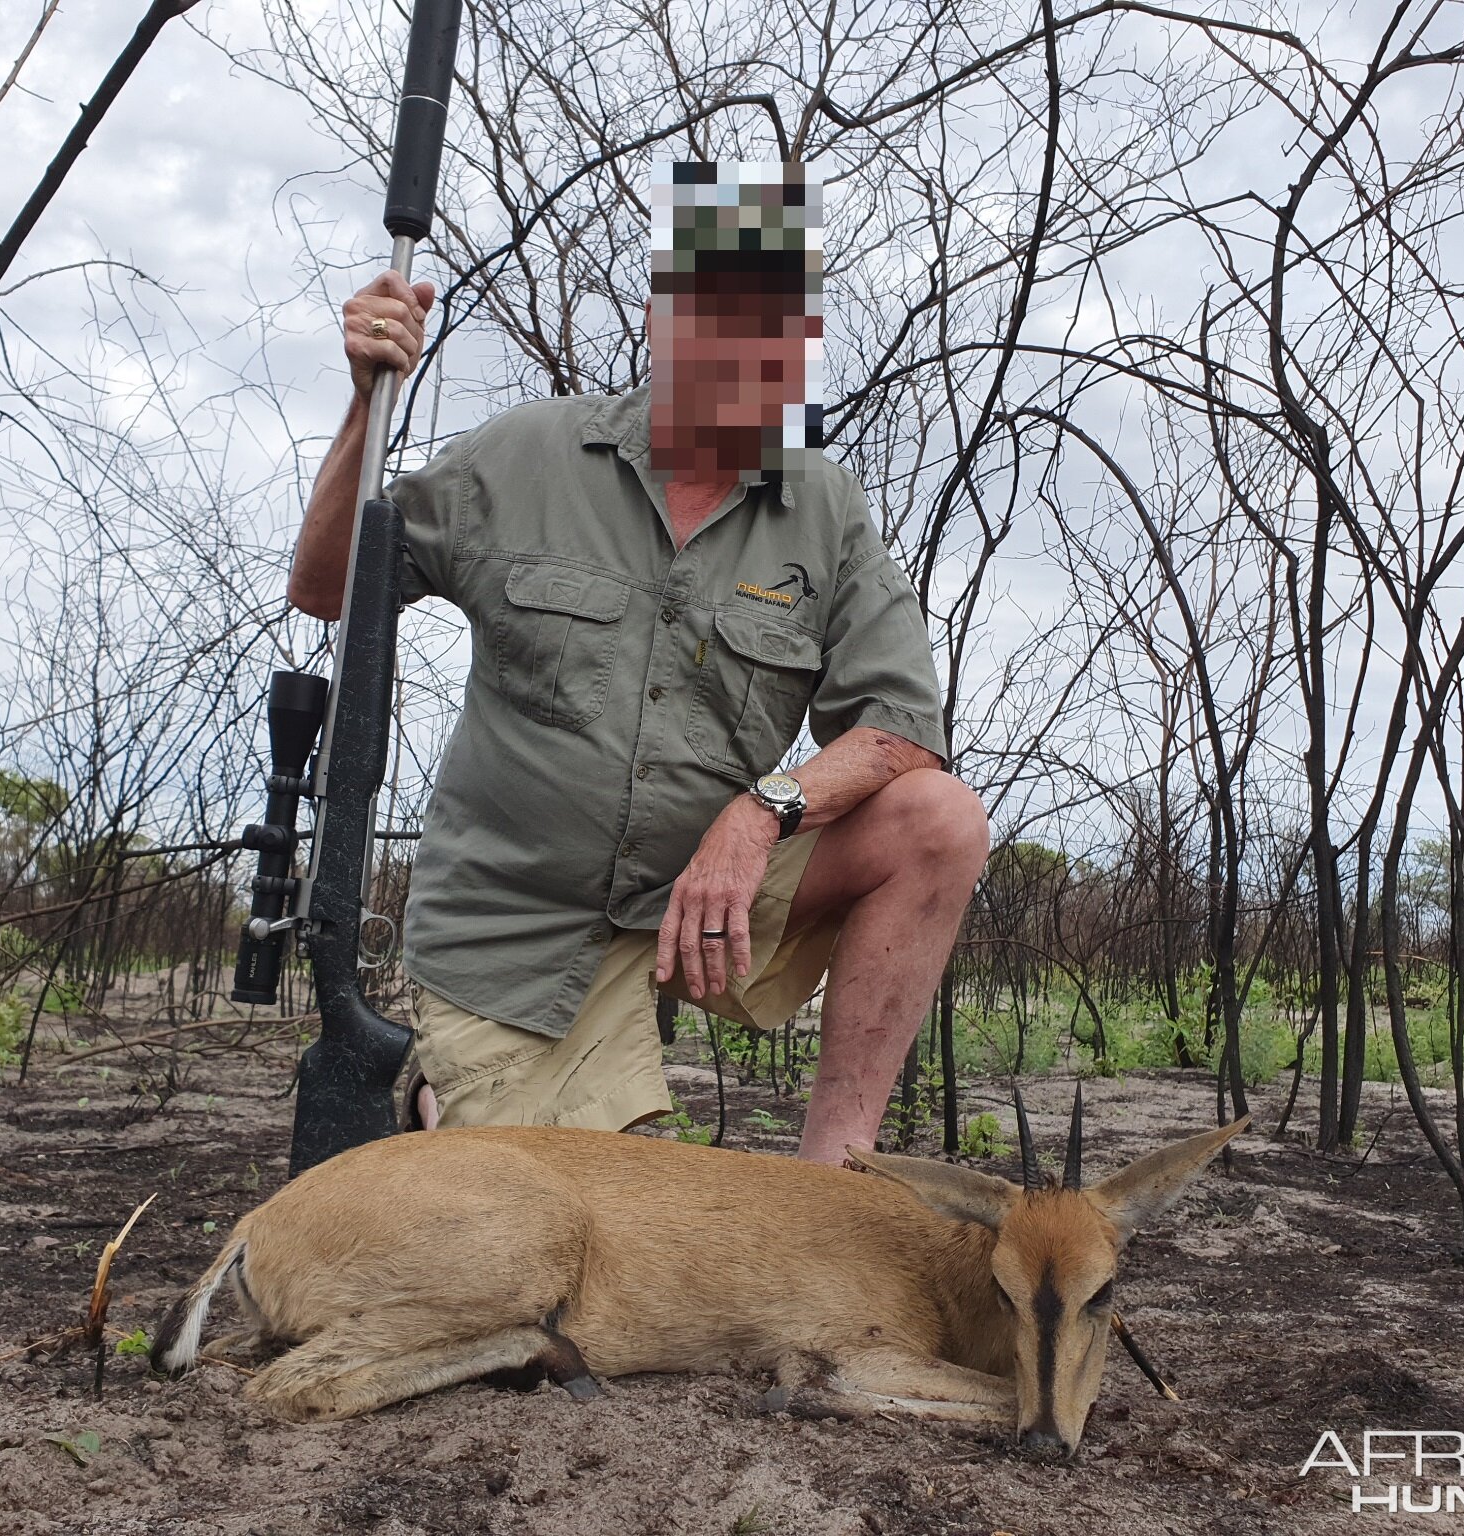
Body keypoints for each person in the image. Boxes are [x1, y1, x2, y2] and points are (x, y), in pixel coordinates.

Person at [286, 161, 988, 1163]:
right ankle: (452, 1110)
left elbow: (901, 734)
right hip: (516, 936)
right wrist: (366, 405)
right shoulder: (525, 451)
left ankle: (838, 1181)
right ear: (662, 319)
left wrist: (760, 812)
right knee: (545, 1229)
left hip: (711, 898)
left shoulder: (823, 506)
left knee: (939, 819)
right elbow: (325, 587)